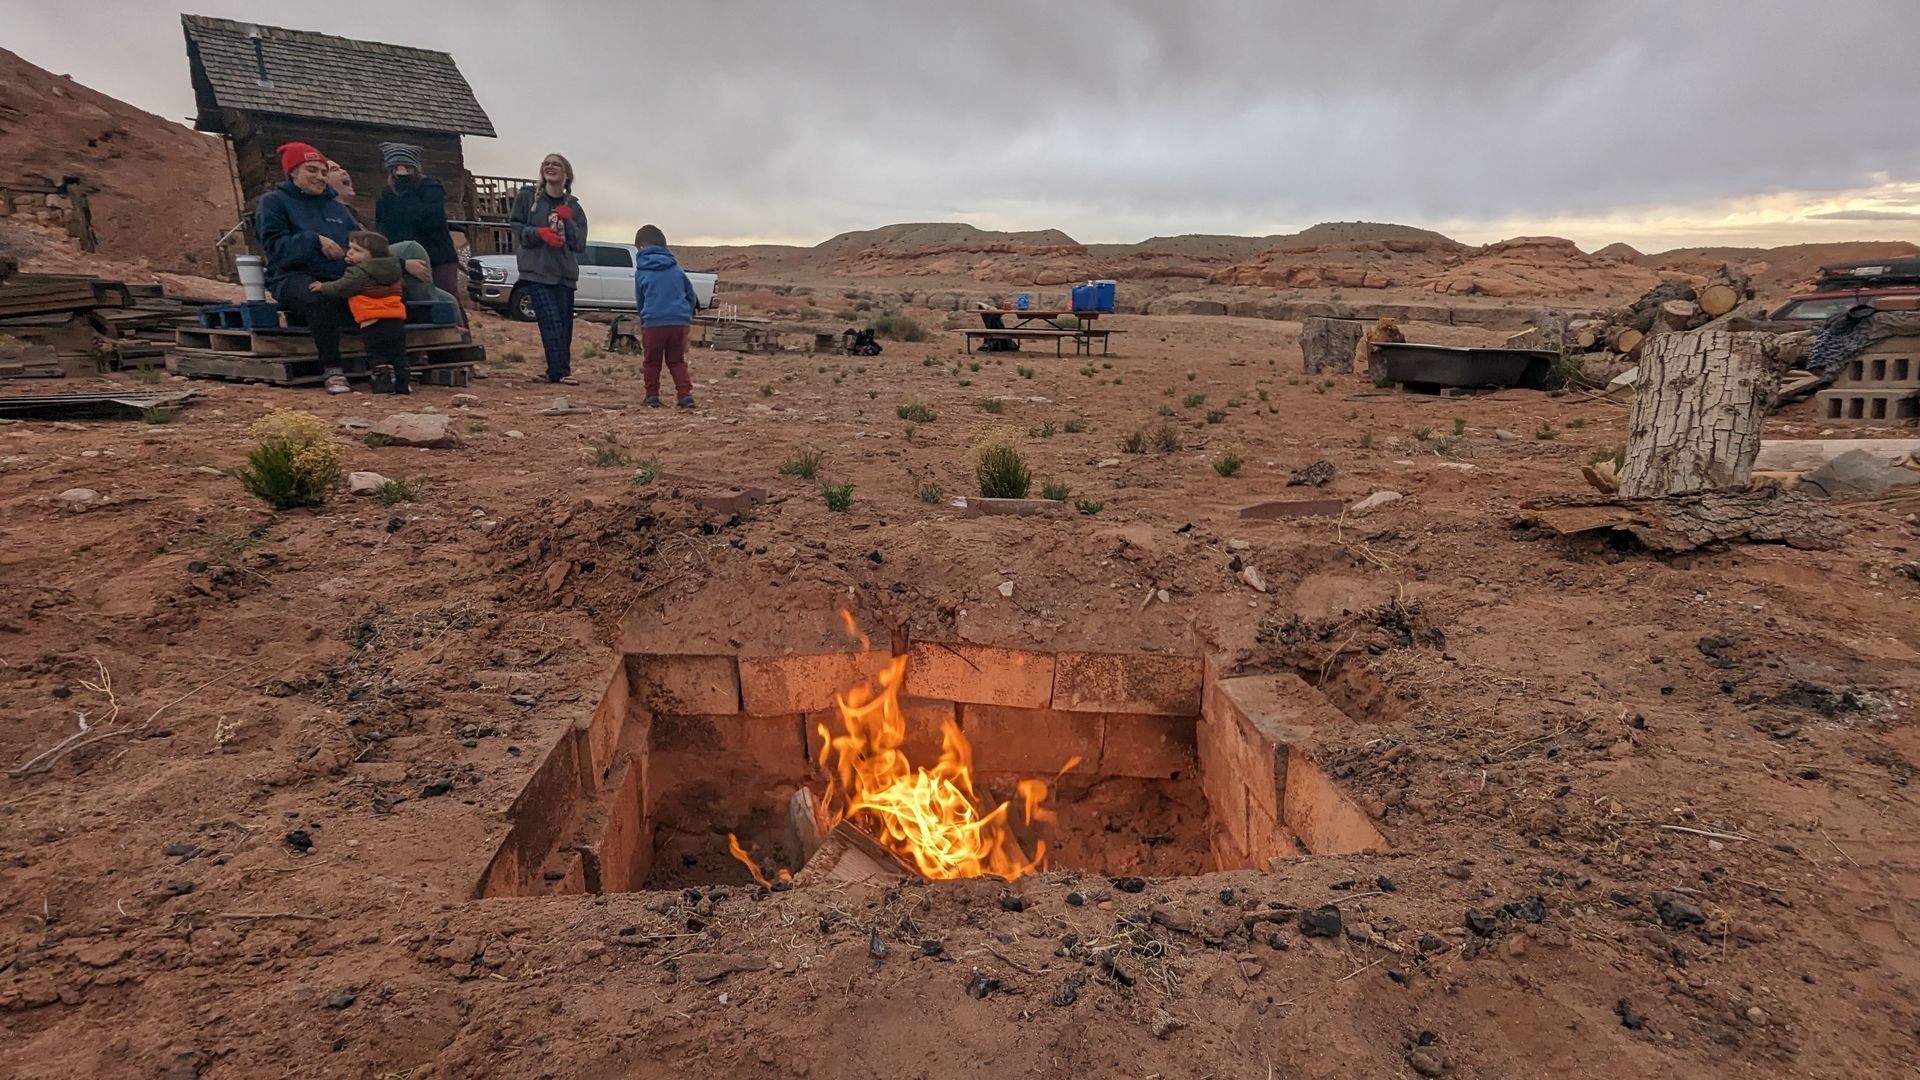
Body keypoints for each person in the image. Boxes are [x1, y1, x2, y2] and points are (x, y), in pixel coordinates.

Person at [256, 142, 359, 393]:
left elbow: (359, 239)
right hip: (291, 276)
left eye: (323, 172)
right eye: (311, 170)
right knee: (318, 295)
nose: (320, 177)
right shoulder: (274, 202)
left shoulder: (337, 208)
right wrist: (313, 240)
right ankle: (333, 369)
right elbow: (275, 248)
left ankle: (387, 364)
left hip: (338, 273)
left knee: (386, 290)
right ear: (293, 172)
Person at [508, 153, 587, 384]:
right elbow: (517, 227)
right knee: (549, 320)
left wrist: (568, 221)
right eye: (546, 163)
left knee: (563, 324)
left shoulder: (574, 207)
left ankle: (559, 370)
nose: (550, 167)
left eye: (556, 164)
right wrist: (539, 233)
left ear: (566, 174)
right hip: (536, 270)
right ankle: (559, 372)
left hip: (564, 273)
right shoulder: (527, 198)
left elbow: (579, 244)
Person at [373, 143, 466, 327]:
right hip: (407, 260)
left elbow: (423, 218)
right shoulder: (386, 195)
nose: (401, 172)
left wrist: (405, 185)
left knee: (446, 302)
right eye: (397, 168)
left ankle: (460, 337)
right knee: (419, 305)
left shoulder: (431, 188)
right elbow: (383, 227)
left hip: (438, 257)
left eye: (406, 168)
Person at [310, 230, 410, 394]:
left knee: (377, 355)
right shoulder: (394, 271)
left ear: (372, 255)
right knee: (398, 354)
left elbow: (342, 287)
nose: (350, 252)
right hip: (396, 320)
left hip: (372, 321)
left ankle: (383, 385)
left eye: (357, 250)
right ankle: (403, 384)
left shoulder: (360, 272)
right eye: (350, 248)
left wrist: (323, 287)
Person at [631, 224, 700, 408]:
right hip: (679, 322)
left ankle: (652, 396)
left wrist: (644, 320)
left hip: (653, 323)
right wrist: (685, 315)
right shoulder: (676, 270)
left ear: (641, 247)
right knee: (676, 361)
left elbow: (640, 300)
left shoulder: (641, 272)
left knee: (652, 362)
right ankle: (685, 396)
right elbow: (691, 295)